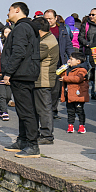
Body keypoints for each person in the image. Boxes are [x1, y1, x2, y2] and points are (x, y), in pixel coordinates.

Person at [1, 2, 42, 158]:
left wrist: (8, 72)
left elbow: (18, 52)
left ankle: (32, 145)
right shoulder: (28, 27)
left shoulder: (21, 28)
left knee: (26, 110)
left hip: (21, 73)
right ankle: (23, 140)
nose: (7, 13)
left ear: (17, 10)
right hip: (26, 72)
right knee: (23, 109)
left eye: (9, 10)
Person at [33, 16, 59, 145]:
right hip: (42, 78)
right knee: (42, 108)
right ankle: (43, 133)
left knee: (44, 108)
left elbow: (34, 56)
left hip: (43, 79)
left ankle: (47, 135)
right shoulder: (46, 38)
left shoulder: (45, 42)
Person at [60, 51, 89, 133]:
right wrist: (62, 70)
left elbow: (78, 79)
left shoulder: (82, 70)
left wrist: (65, 78)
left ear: (78, 61)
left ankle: (81, 125)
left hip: (78, 94)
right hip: (69, 94)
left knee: (80, 111)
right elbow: (62, 77)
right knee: (70, 111)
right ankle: (70, 125)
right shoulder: (68, 69)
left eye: (71, 59)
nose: (69, 61)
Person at [0, 26, 13, 121]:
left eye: (9, 32)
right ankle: (4, 111)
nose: (8, 34)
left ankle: (2, 107)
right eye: (6, 32)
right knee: (1, 94)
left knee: (7, 95)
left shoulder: (14, 44)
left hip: (9, 72)